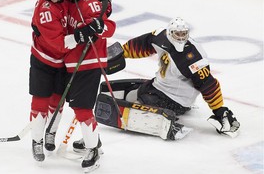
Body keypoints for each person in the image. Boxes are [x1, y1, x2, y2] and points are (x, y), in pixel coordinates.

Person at [94, 17, 240, 140]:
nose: (181, 38)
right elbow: (143, 44)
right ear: (170, 33)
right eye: (177, 34)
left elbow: (209, 85)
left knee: (143, 101)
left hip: (177, 100)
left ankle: (164, 118)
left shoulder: (193, 58)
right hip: (159, 85)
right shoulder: (160, 37)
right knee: (137, 92)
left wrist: (219, 111)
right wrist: (121, 53)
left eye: (184, 34)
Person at [63, 0, 116, 172]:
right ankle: (93, 140)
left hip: (89, 62)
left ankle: (92, 149)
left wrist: (98, 28)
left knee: (83, 109)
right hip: (74, 61)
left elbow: (109, 26)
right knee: (78, 106)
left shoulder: (91, 4)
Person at [29, 0, 74, 162]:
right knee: (40, 102)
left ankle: (51, 132)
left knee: (58, 100)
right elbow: (60, 44)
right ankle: (37, 140)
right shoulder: (45, 11)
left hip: (62, 62)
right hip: (43, 60)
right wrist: (81, 36)